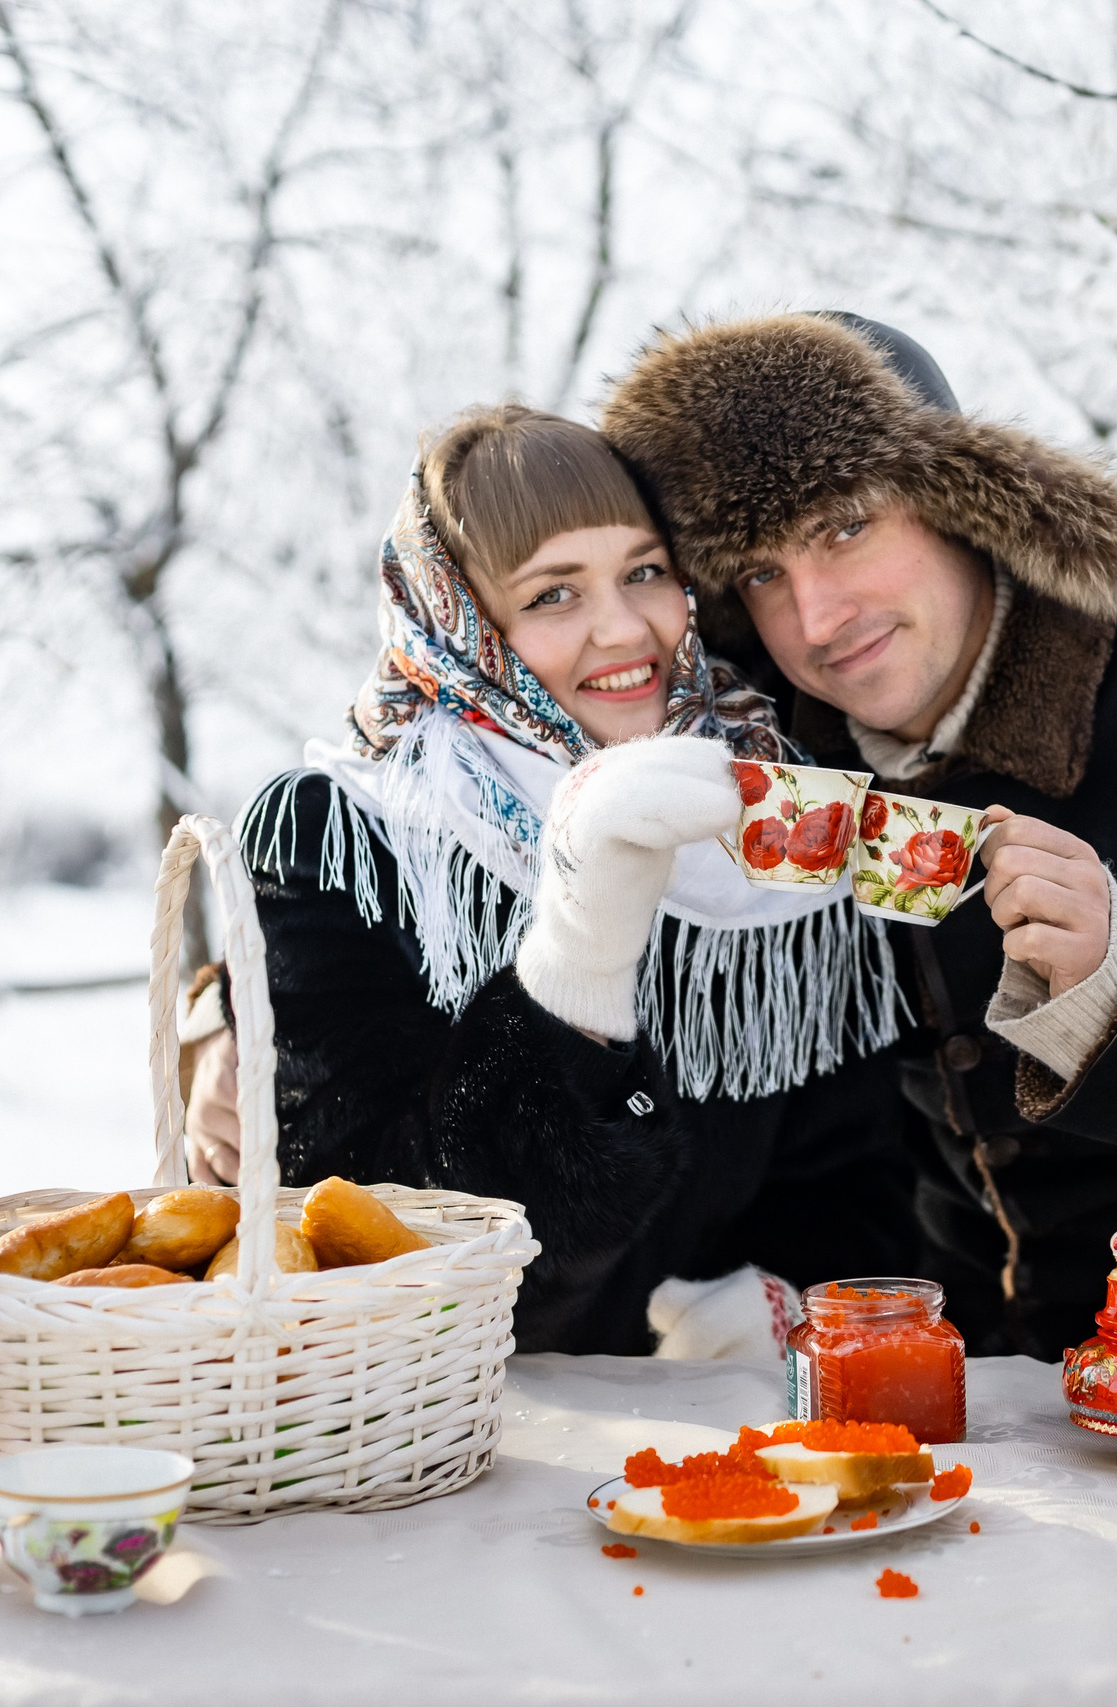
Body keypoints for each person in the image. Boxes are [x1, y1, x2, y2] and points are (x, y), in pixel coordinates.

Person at [602, 313, 1117, 1357]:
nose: (818, 619)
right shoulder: (768, 759)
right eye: (760, 574)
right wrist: (778, 1290)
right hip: (961, 1375)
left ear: (957, 497)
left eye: (845, 526)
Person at [184, 405, 912, 1355]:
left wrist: (772, 1300)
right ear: (461, 623)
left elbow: (854, 1173)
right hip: (452, 1425)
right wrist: (578, 957)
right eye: (552, 594)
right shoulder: (347, 835)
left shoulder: (768, 806)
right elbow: (372, 1248)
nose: (625, 629)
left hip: (729, 1425)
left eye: (644, 572)